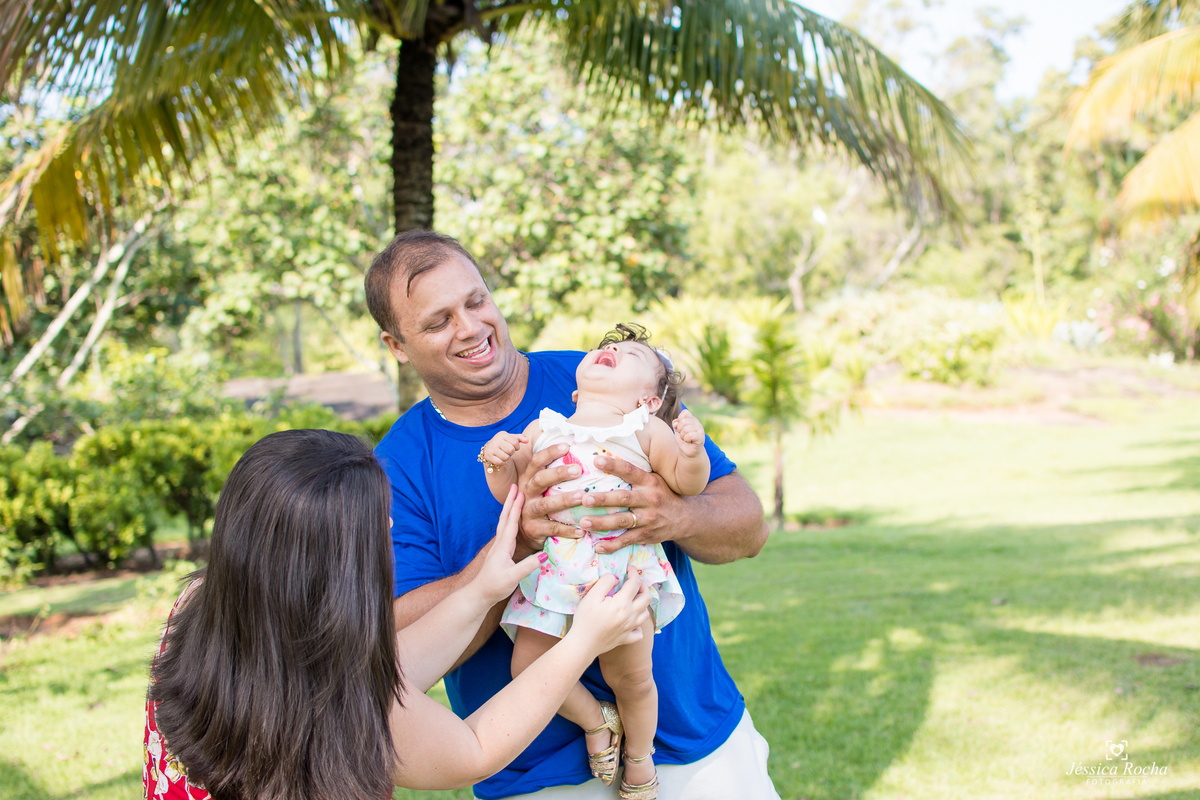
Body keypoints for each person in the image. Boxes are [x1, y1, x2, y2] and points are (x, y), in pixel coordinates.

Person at [367, 230, 781, 800]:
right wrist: (517, 545)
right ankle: (595, 721)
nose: (469, 327)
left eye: (476, 301)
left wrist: (674, 515)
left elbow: (748, 528)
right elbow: (400, 650)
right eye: (438, 322)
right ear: (396, 345)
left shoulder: (601, 381)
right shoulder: (398, 465)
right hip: (531, 773)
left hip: (696, 743)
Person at [144, 428, 651, 800]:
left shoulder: (206, 606)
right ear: (321, 567)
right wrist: (583, 641)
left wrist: (480, 593)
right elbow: (472, 749)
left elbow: (386, 670)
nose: (387, 526)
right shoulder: (333, 699)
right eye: (372, 524)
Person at [480, 325, 710, 800]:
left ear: (648, 400)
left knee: (631, 678)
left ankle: (639, 757)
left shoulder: (645, 429)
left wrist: (692, 452)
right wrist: (497, 462)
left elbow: (686, 483)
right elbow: (513, 492)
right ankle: (595, 720)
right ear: (575, 391)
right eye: (607, 347)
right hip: (557, 570)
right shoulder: (544, 427)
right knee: (529, 668)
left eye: (630, 355)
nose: (612, 350)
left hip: (620, 573)